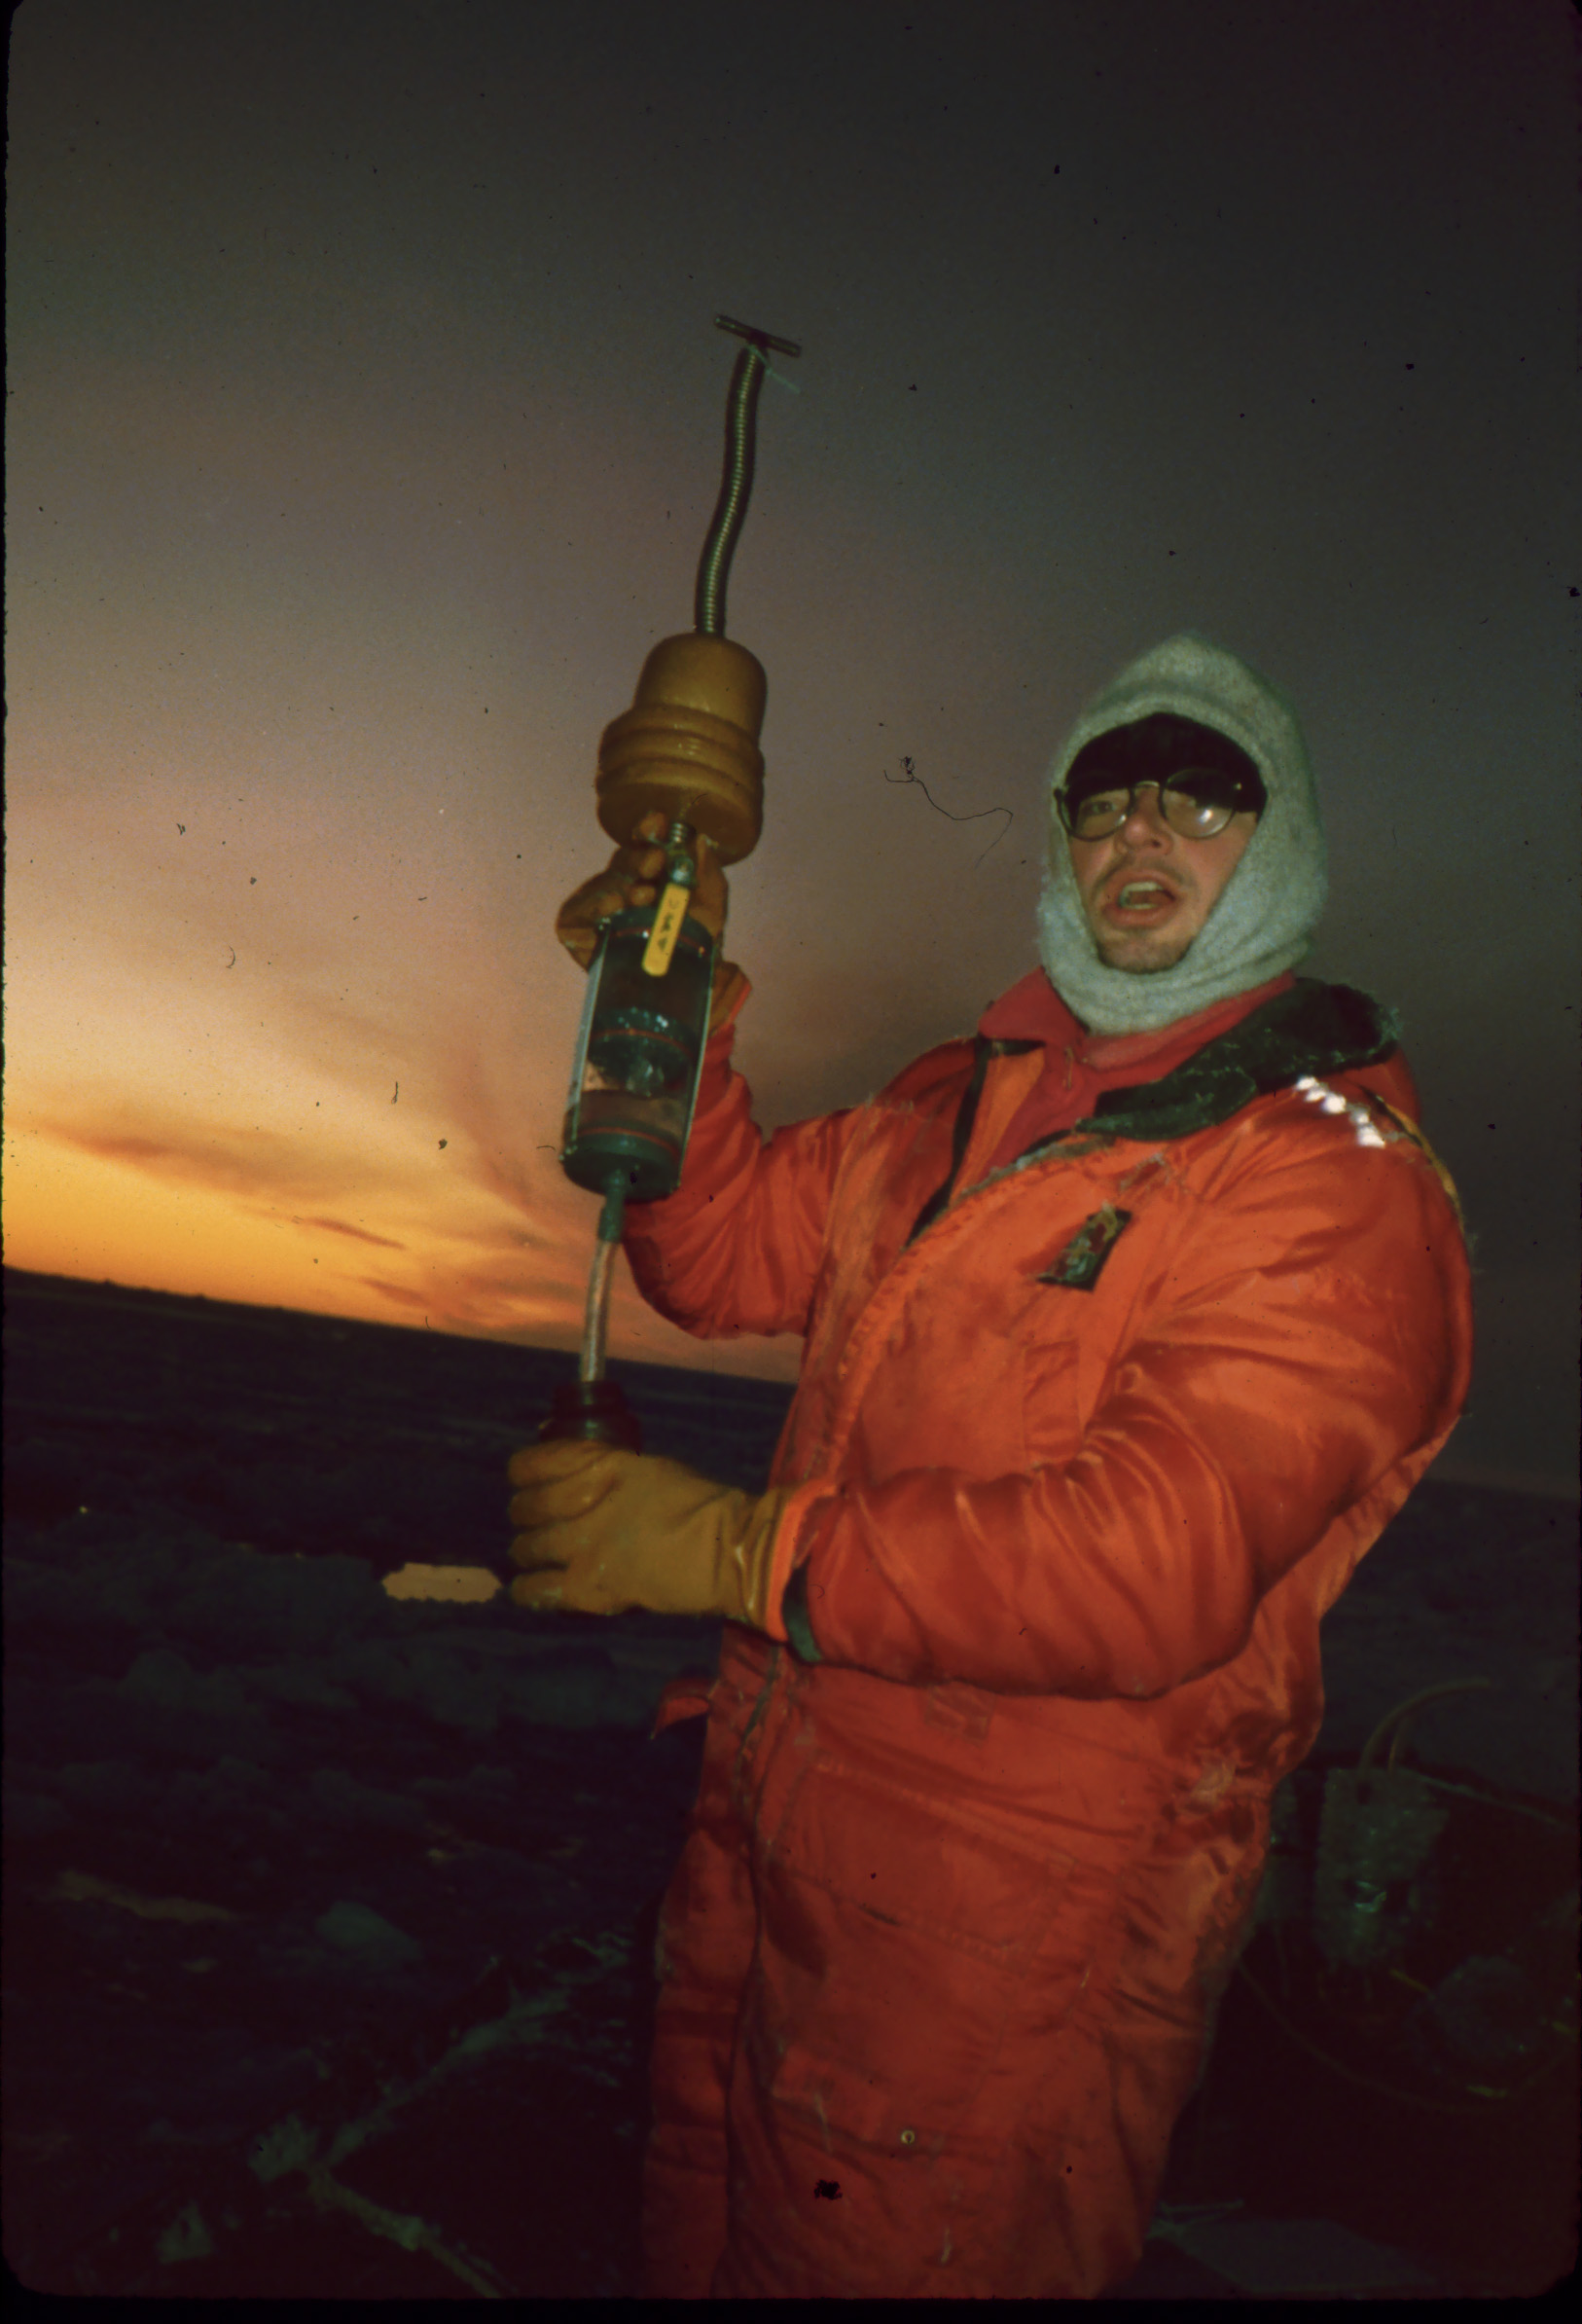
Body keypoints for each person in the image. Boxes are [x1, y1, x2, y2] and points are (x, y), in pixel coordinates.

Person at [507, 633, 1473, 2300]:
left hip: (1009, 1942)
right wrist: (667, 1017)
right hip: (774, 1837)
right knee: (705, 2232)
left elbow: (1150, 1565)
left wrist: (737, 1555)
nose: (1139, 828)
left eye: (1202, 794)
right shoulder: (954, 1108)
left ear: (1282, 843)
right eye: (1102, 795)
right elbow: (719, 1255)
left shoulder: (1328, 1177)